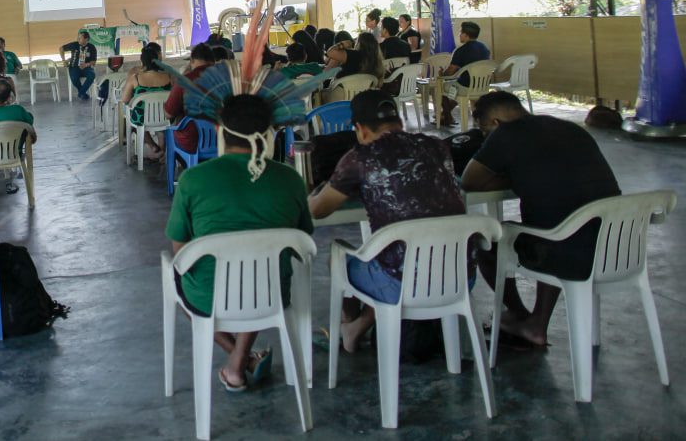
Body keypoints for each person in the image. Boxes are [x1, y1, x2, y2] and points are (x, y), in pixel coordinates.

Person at [166, 93, 314, 391]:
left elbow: (180, 252)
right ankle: (241, 358)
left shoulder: (194, 180)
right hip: (272, 292)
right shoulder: (290, 179)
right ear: (270, 133)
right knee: (260, 273)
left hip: (208, 296)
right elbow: (303, 240)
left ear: (220, 131)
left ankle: (237, 359)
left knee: (177, 281)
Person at [308, 91, 467, 352]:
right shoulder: (437, 146)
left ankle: (349, 326)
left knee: (341, 256)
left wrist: (314, 192)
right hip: (459, 275)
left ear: (359, 129)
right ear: (400, 122)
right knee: (388, 258)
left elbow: (318, 211)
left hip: (401, 283)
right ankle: (356, 327)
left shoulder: (361, 158)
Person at [461, 91, 621, 347]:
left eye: (484, 131)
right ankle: (536, 322)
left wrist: (511, 175)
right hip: (615, 247)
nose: (485, 138)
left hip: (568, 251)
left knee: (486, 241)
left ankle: (519, 315)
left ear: (495, 123)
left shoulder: (506, 134)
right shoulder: (570, 128)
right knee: (553, 222)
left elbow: (470, 181)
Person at [122, 43, 172, 162]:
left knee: (133, 120)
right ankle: (162, 153)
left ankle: (155, 148)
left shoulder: (136, 77)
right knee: (162, 125)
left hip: (142, 118)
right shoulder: (169, 76)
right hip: (165, 116)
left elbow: (125, 99)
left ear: (142, 61)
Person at [440, 21, 492, 126]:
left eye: (460, 32)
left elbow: (450, 72)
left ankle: (446, 116)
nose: (459, 34)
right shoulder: (484, 48)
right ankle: (444, 115)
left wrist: (441, 74)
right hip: (483, 85)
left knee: (440, 86)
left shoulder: (461, 50)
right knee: (455, 90)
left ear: (466, 35)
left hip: (466, 86)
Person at [165, 43, 214, 154]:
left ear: (192, 61)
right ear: (213, 61)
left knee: (171, 132)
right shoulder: (228, 78)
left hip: (192, 142)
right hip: (225, 142)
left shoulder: (185, 81)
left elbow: (168, 114)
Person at [60, 30, 97, 100]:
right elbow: (61, 48)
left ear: (86, 39)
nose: (78, 39)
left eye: (80, 38)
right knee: (74, 78)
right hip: (74, 67)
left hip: (86, 67)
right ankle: (83, 94)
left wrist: (86, 64)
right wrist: (64, 60)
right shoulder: (74, 45)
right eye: (78, 37)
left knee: (92, 75)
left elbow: (93, 62)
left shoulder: (92, 47)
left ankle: (81, 93)